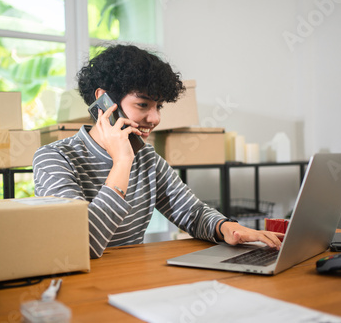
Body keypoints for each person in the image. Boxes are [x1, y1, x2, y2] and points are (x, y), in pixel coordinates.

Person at [33, 44, 281, 259]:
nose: (155, 118)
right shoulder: (53, 159)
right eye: (143, 104)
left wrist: (227, 227)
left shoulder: (147, 159)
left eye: (158, 106)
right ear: (104, 101)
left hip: (133, 279)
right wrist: (121, 162)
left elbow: (192, 212)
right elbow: (82, 244)